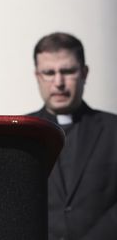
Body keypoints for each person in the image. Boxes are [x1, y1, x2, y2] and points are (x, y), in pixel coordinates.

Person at [28, 32, 117, 239]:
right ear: (37, 76)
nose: (58, 82)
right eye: (49, 72)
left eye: (67, 71)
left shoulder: (113, 129)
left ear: (84, 73)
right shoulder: (23, 133)